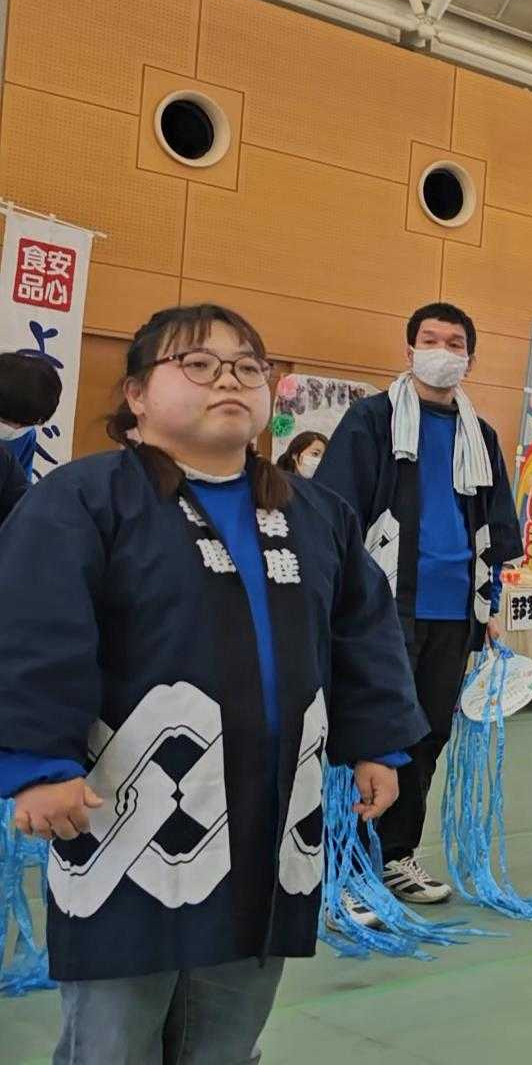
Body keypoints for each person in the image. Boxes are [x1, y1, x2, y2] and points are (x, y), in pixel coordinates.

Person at [0, 304, 424, 1064]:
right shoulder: (83, 500)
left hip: (268, 815)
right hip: (126, 820)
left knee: (227, 1039)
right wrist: (38, 763)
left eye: (247, 367)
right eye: (197, 364)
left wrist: (379, 744)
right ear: (135, 396)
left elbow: (364, 629)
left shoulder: (317, 514)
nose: (228, 379)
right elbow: (33, 630)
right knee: (112, 1043)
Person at [313, 301, 521, 910]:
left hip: (454, 612)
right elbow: (333, 513)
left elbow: (494, 530)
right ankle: (346, 863)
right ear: (408, 352)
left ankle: (396, 854)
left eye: (454, 342)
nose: (442, 350)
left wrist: (490, 606)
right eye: (430, 339)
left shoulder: (478, 435)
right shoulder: (371, 421)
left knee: (426, 736)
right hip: (383, 612)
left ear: (470, 359)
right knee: (370, 734)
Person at [0, 349, 61, 478]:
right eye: (7, 421)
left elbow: (22, 487)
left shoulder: (26, 434)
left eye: (26, 423)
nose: (16, 429)